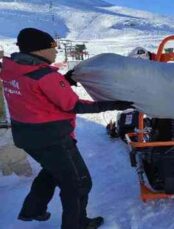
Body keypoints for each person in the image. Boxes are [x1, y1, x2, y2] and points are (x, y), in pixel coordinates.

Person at [0, 28, 133, 229]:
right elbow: (75, 106)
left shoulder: (10, 69)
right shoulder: (45, 76)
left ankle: (32, 210)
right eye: (52, 47)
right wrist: (115, 104)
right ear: (39, 50)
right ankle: (77, 224)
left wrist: (64, 81)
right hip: (53, 139)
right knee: (79, 184)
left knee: (53, 170)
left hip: (26, 136)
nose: (55, 51)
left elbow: (35, 91)